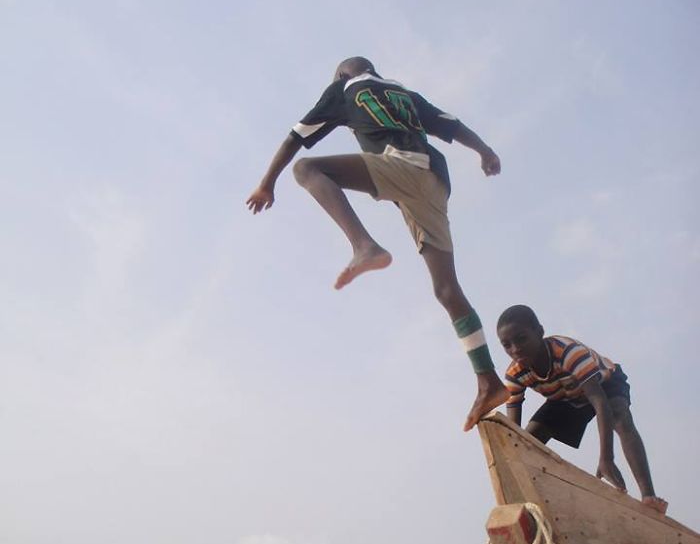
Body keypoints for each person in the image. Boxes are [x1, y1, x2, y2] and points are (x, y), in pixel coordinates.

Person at [246, 55, 507, 430]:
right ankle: (489, 382)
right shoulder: (405, 93)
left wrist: (266, 182)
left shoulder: (345, 88)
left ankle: (364, 247)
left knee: (308, 169)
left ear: (341, 75)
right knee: (447, 289)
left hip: (402, 167)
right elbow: (452, 125)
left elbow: (296, 137)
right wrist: (485, 151)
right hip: (434, 181)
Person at [496, 304, 667, 513]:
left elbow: (599, 401)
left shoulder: (567, 352)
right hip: (564, 398)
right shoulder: (515, 374)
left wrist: (606, 458)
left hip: (603, 385)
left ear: (539, 332)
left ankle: (649, 497)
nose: (515, 349)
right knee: (527, 442)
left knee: (620, 417)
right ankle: (532, 504)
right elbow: (513, 433)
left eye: (521, 339)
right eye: (507, 345)